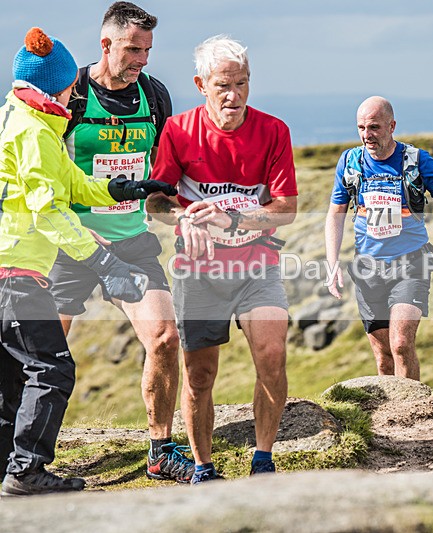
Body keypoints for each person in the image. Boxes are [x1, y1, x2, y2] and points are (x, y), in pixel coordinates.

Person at [0, 27, 176, 496]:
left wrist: (120, 190)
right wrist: (100, 257)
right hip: (37, 261)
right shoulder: (40, 127)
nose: (74, 90)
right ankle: (26, 469)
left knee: (14, 373)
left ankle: (12, 468)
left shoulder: (32, 119)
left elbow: (72, 184)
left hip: (86, 252)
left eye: (147, 50)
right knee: (46, 367)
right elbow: (49, 208)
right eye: (133, 48)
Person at [46, 1, 192, 485]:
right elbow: (43, 178)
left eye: (147, 50)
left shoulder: (155, 96)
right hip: (69, 244)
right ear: (105, 44)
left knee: (166, 338)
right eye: (133, 49)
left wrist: (184, 215)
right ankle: (23, 456)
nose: (142, 60)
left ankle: (160, 450)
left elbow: (162, 183)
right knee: (41, 354)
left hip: (130, 242)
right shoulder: (72, 96)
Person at [146, 35, 298, 483]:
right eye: (222, 86)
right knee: (199, 376)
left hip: (257, 267)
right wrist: (186, 218)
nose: (233, 96)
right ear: (200, 84)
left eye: (242, 84)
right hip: (199, 271)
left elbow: (287, 208)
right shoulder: (178, 131)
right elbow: (156, 200)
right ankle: (203, 468)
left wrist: (233, 221)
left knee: (272, 352)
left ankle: (263, 459)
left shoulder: (273, 131)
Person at [325, 96, 433, 380]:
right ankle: (391, 421)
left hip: (411, 265)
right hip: (367, 269)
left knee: (401, 345)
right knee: (383, 358)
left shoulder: (416, 161)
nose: (368, 135)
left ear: (392, 126)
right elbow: (335, 214)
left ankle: (413, 408)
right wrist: (332, 264)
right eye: (362, 128)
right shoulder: (350, 162)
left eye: (375, 127)